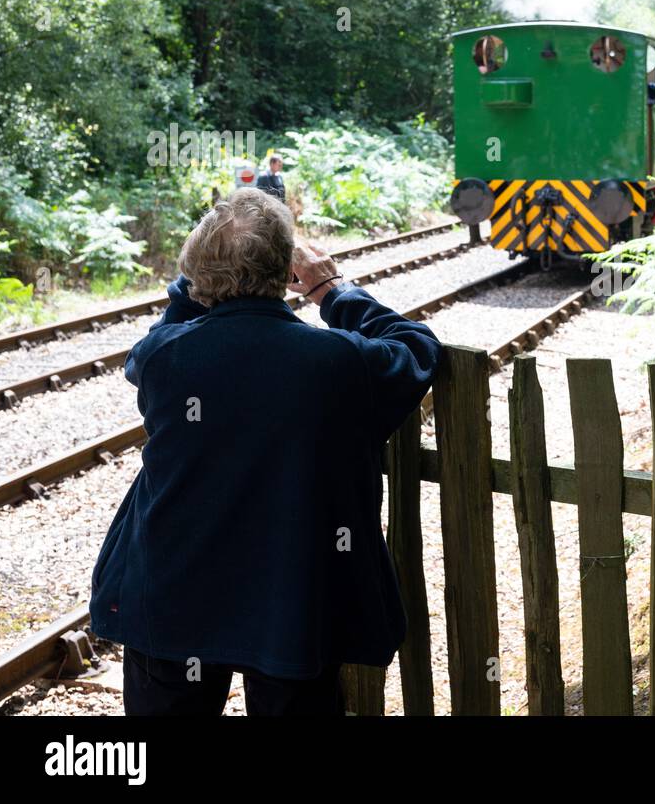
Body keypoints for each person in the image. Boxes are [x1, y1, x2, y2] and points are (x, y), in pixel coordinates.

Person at [89, 187, 440, 715]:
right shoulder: (338, 362)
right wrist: (331, 290)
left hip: (170, 589)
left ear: (196, 270)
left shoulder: (164, 357)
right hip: (292, 599)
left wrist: (197, 282)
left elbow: (161, 336)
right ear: (285, 272)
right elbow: (416, 349)